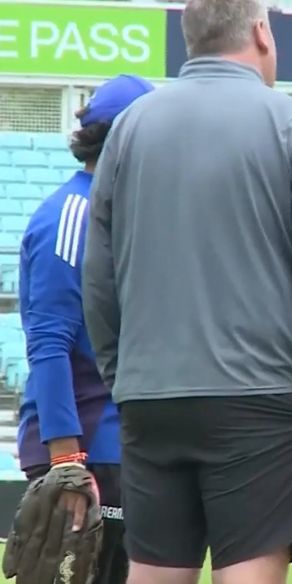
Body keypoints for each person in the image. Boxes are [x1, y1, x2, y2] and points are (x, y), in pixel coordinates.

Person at [80, 0, 292, 582]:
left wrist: (122, 375)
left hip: (152, 396)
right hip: (262, 396)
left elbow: (98, 272)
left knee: (154, 572)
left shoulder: (130, 126)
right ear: (260, 32)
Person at [15, 73, 153, 584]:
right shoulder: (72, 216)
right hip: (92, 451)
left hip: (132, 447)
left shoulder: (129, 214)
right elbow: (49, 343)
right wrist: (67, 463)